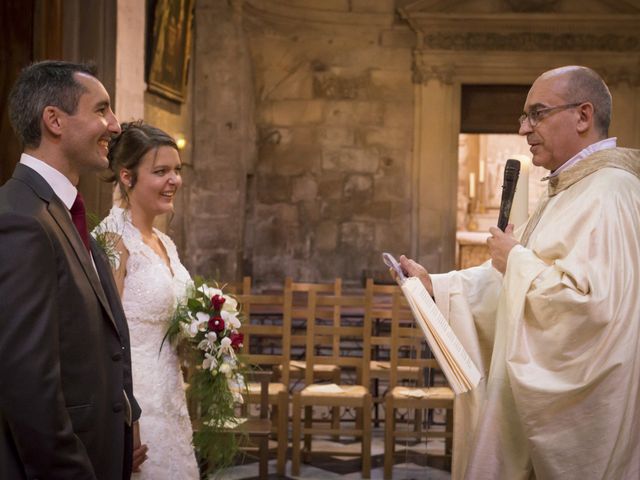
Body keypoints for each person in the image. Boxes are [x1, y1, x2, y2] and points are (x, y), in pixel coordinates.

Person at [398, 66, 640, 479]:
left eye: (537, 114)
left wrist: (518, 261)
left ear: (583, 116)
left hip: (586, 421)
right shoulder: (566, 191)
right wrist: (435, 286)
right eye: (524, 117)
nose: (524, 128)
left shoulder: (610, 193)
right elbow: (504, 280)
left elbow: (592, 311)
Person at [0, 60, 147, 479]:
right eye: (101, 110)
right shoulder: (21, 220)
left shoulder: (62, 212)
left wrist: (125, 416)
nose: (116, 125)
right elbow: (30, 387)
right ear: (55, 121)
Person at [94, 121, 199, 479]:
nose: (174, 180)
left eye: (177, 171)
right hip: (136, 403)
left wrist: (208, 339)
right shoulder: (112, 240)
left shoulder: (163, 242)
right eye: (161, 171)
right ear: (127, 177)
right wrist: (126, 416)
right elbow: (102, 335)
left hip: (171, 397)